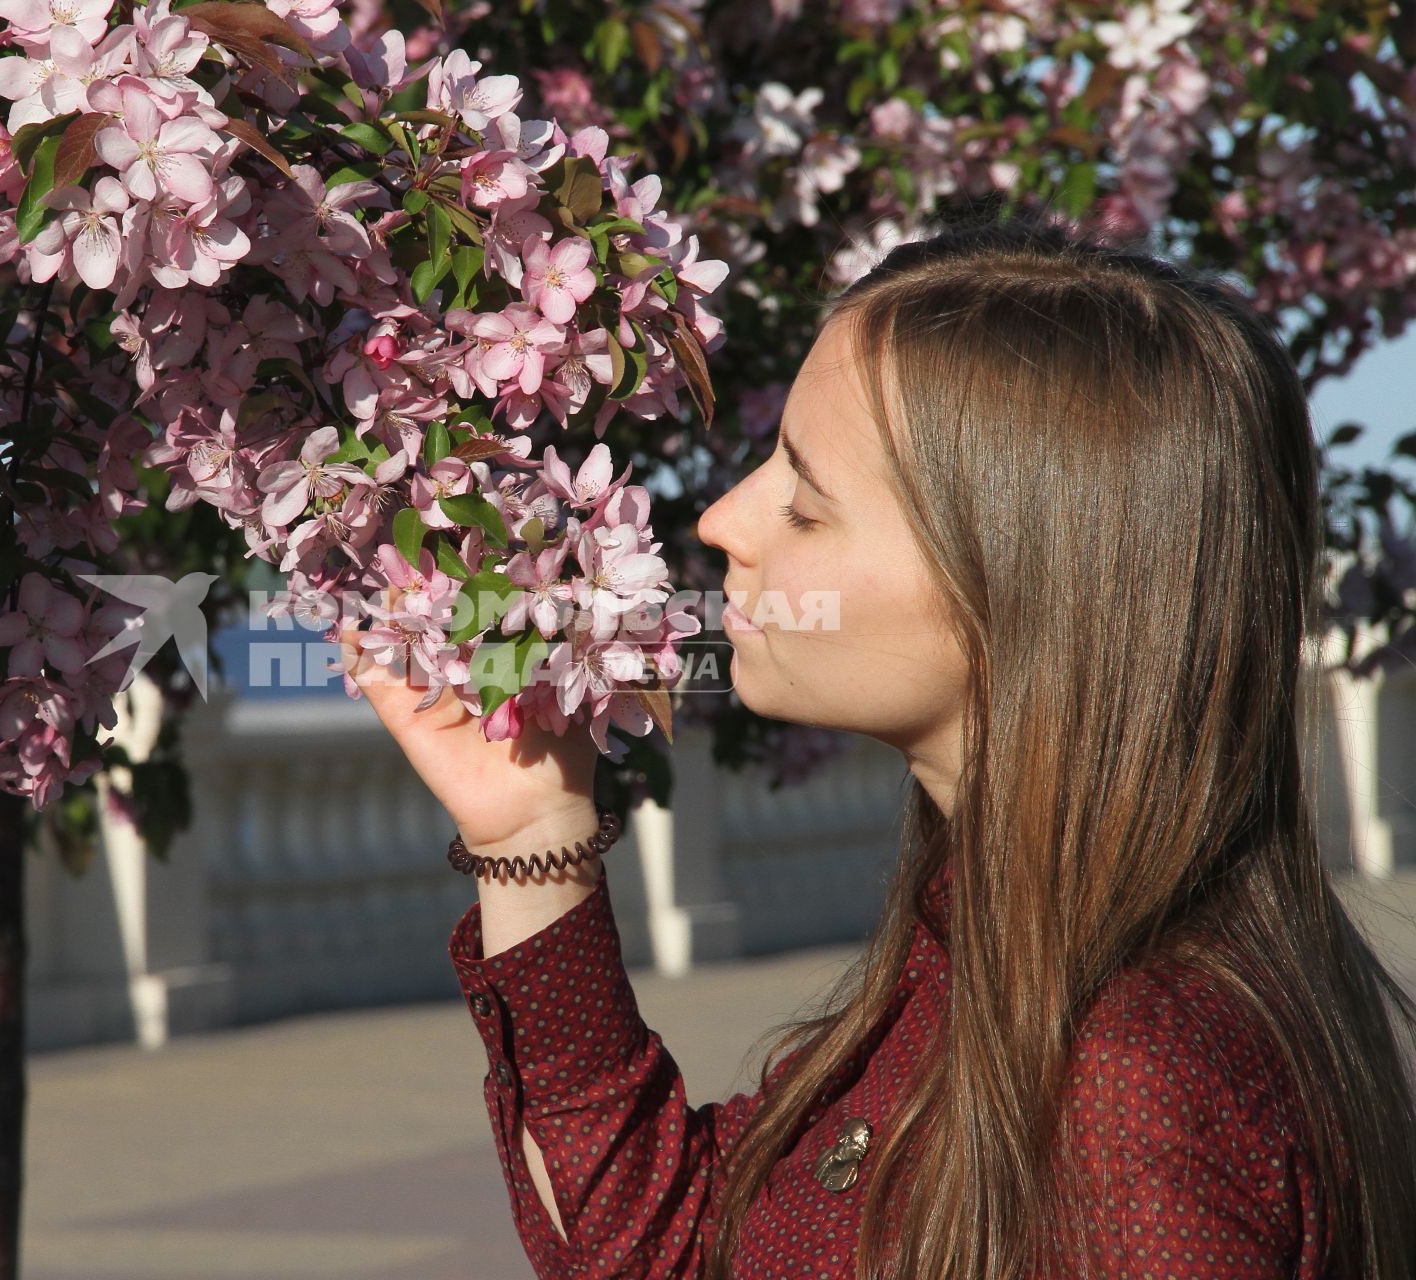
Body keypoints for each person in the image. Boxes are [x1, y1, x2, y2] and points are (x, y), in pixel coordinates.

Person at [336, 217, 1416, 1279]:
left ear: (1014, 590)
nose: (721, 521)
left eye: (804, 500)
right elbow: (664, 1247)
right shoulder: (985, 959)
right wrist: (536, 834)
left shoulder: (1124, 1083)